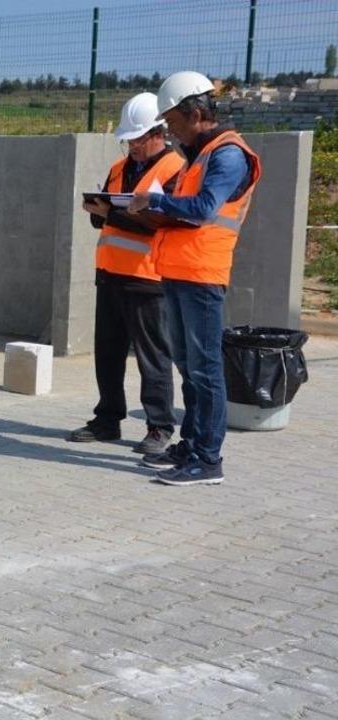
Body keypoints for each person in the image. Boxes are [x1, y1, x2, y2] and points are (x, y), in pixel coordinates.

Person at [127, 71, 262, 486]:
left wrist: (156, 200)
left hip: (202, 275)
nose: (169, 131)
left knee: (205, 370)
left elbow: (203, 209)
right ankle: (191, 445)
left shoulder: (228, 154)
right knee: (188, 367)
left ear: (197, 113)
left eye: (172, 122)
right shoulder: (200, 155)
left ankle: (208, 458)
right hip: (180, 270)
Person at [69, 92, 183, 456]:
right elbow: (104, 219)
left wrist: (112, 214)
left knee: (153, 357)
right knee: (108, 353)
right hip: (110, 274)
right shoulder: (119, 168)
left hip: (148, 279)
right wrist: (98, 209)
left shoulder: (175, 170)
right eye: (128, 140)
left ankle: (160, 426)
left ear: (158, 133)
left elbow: (159, 223)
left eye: (137, 139)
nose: (132, 146)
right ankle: (107, 420)